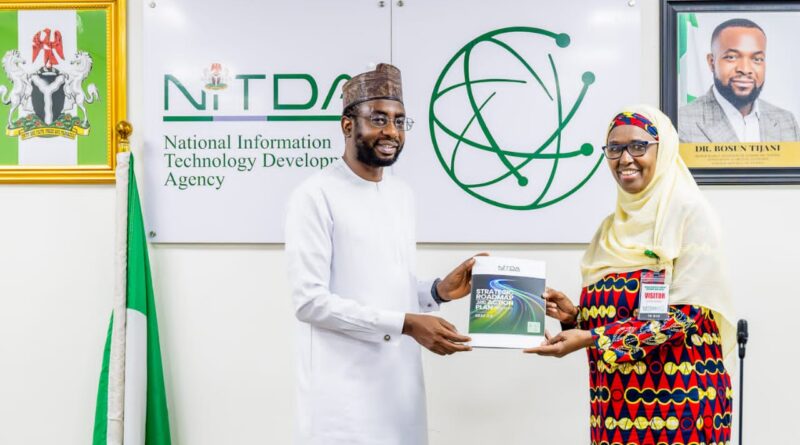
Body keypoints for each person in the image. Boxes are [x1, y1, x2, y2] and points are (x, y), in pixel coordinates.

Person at [285, 63, 481, 445]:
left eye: (400, 121)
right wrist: (406, 324)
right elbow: (308, 301)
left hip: (401, 394)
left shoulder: (401, 194)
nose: (392, 131)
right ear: (347, 125)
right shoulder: (314, 196)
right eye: (378, 119)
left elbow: (383, 284)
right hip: (343, 402)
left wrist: (438, 291)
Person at [526, 105, 736, 444]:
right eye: (614, 148)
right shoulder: (609, 229)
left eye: (638, 146)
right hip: (616, 407)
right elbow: (621, 315)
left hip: (681, 405)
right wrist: (574, 319)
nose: (625, 158)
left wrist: (594, 338)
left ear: (663, 148)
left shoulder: (690, 213)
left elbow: (685, 314)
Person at [678, 18, 800, 142]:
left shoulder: (786, 121)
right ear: (711, 62)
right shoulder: (681, 122)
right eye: (732, 57)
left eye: (757, 59)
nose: (745, 69)